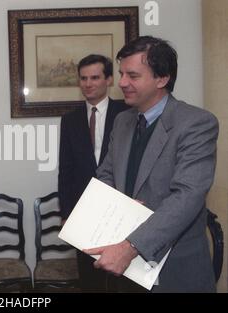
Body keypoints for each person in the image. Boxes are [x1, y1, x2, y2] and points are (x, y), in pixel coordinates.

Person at [84, 36, 219, 292]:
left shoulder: (196, 123)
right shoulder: (122, 121)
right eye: (122, 74)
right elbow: (106, 175)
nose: (122, 82)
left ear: (162, 78)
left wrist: (131, 246)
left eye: (132, 76)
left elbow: (188, 196)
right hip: (123, 273)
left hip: (175, 272)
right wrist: (117, 206)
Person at [58, 54, 128, 292]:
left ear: (108, 79)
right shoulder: (69, 120)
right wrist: (67, 213)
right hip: (83, 210)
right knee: (90, 279)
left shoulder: (127, 113)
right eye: (84, 78)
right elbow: (65, 170)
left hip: (121, 208)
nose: (88, 83)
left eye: (95, 77)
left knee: (122, 278)